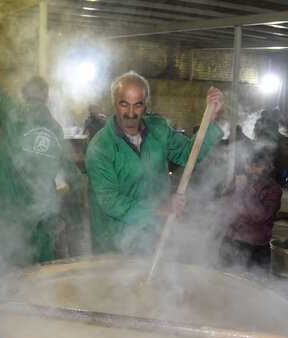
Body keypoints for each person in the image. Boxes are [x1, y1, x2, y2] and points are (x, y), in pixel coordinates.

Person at [85, 71, 224, 254]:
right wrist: (158, 208)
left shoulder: (159, 129)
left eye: (138, 105)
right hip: (116, 238)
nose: (131, 113)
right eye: (124, 105)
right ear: (114, 103)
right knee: (118, 282)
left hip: (155, 233)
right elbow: (111, 201)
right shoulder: (101, 147)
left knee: (157, 280)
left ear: (145, 105)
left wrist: (210, 120)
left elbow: (189, 154)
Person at [0, 28, 64, 276]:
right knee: (40, 276)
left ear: (24, 95)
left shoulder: (14, 113)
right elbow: (53, 171)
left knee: (5, 275)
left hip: (8, 215)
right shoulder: (56, 129)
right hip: (41, 218)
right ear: (46, 97)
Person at [219, 150, 282, 274]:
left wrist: (245, 191)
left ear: (267, 168)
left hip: (255, 247)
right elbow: (224, 207)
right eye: (249, 164)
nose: (252, 169)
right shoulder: (237, 182)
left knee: (253, 286)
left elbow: (261, 216)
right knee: (223, 280)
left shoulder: (273, 190)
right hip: (230, 241)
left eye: (258, 166)